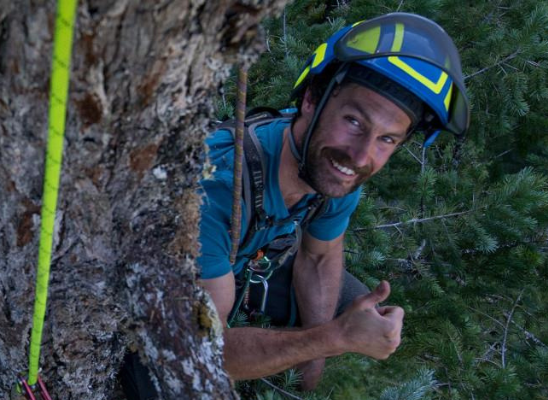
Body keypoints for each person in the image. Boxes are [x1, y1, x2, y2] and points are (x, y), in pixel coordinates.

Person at [119, 12, 469, 398]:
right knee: (182, 384)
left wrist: (311, 376)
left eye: (387, 139)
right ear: (310, 99)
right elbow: (203, 353)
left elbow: (320, 258)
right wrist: (331, 339)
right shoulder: (217, 185)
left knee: (359, 309)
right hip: (160, 309)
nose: (361, 154)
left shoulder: (336, 169)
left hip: (233, 271)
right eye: (354, 121)